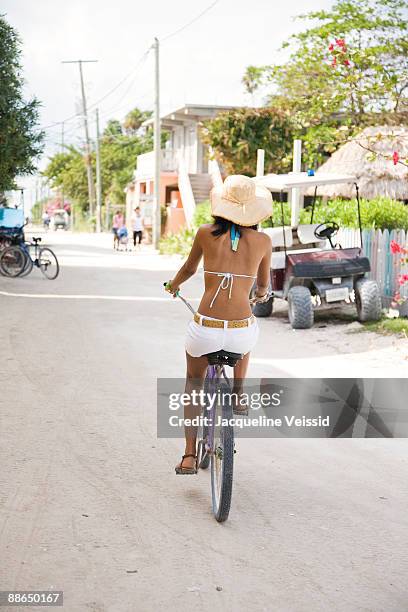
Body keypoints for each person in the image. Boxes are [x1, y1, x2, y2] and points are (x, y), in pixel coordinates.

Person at [165, 174, 273, 474]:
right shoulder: (264, 241)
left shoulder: (204, 233)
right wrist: (260, 294)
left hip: (206, 328)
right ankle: (238, 393)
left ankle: (188, 455)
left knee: (193, 382)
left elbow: (189, 268)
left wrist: (173, 286)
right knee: (247, 330)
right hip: (239, 333)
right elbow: (263, 286)